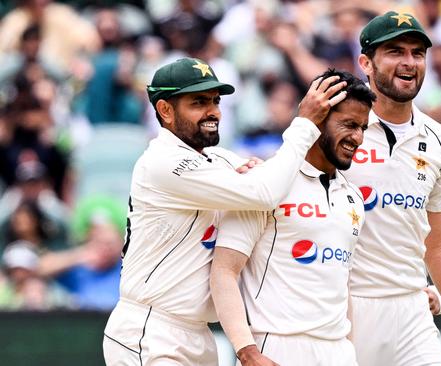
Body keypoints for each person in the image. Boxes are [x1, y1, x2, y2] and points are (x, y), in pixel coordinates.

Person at [102, 57, 347, 365]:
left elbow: (268, 176)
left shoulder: (216, 159)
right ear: (165, 110)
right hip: (150, 328)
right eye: (198, 102)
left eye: (215, 101)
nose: (213, 112)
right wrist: (305, 124)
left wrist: (257, 171)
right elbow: (265, 192)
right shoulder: (163, 162)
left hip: (198, 333)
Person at [211, 69, 375, 366]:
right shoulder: (265, 183)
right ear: (318, 119)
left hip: (338, 352)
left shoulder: (352, 197)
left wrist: (349, 349)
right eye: (350, 125)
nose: (358, 138)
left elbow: (342, 284)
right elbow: (224, 271)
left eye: (363, 127)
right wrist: (246, 351)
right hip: (277, 348)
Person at [344, 11, 441, 366]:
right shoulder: (339, 125)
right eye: (395, 51)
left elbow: (438, 242)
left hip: (411, 310)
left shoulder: (438, 138)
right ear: (366, 63)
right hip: (345, 309)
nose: (409, 63)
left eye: (417, 53)